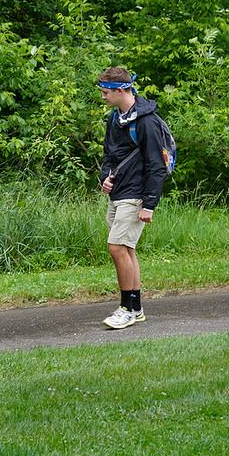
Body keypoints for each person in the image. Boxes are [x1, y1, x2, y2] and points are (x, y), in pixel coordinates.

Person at [98, 67, 169, 329]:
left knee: (116, 248)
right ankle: (136, 308)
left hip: (136, 194)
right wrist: (104, 177)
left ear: (120, 90)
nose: (103, 97)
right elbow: (109, 155)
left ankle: (126, 308)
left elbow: (156, 165)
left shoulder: (146, 121)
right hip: (118, 192)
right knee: (126, 249)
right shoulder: (114, 119)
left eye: (106, 92)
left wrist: (149, 204)